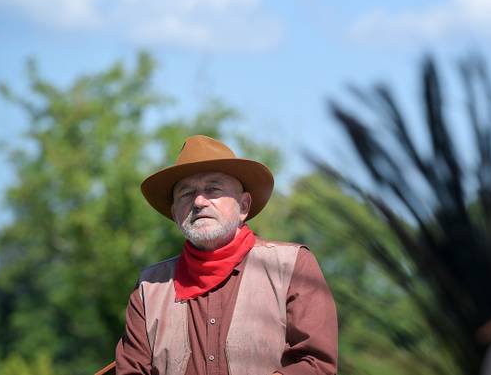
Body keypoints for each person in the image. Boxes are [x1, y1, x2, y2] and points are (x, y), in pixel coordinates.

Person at [115, 135, 338, 375]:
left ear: (243, 206)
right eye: (186, 193)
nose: (199, 201)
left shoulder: (291, 265)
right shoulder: (150, 287)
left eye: (213, 189)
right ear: (174, 212)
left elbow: (317, 365)